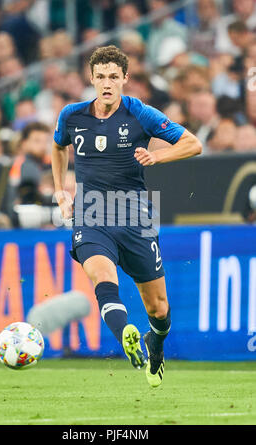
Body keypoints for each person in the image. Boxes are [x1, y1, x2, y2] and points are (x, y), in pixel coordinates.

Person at [51, 45, 202, 388]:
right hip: (91, 217)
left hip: (135, 219)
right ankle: (126, 338)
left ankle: (155, 344)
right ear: (91, 79)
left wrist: (157, 157)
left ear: (125, 79)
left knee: (159, 309)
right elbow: (59, 146)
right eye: (100, 77)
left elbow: (193, 144)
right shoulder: (72, 116)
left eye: (113, 77)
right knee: (103, 279)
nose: (107, 84)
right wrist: (60, 190)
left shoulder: (140, 114)